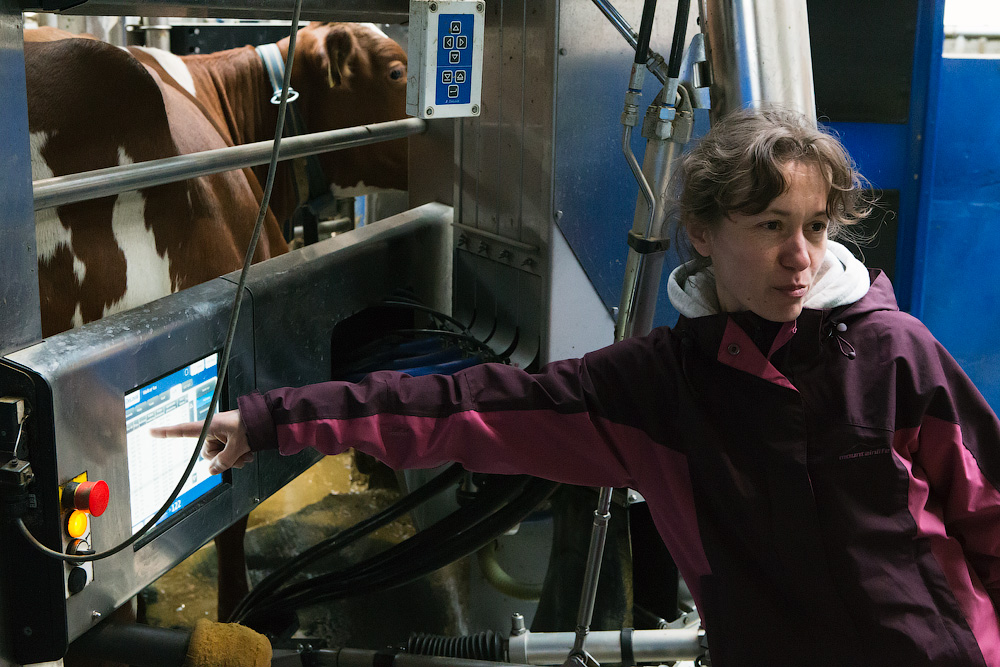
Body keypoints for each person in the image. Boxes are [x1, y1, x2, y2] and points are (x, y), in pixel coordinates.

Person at [153, 108, 1000, 667]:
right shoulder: (659, 389)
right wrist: (271, 419)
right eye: (771, 226)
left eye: (815, 226)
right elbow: (461, 408)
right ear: (703, 233)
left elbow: (991, 510)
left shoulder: (894, 355)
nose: (800, 256)